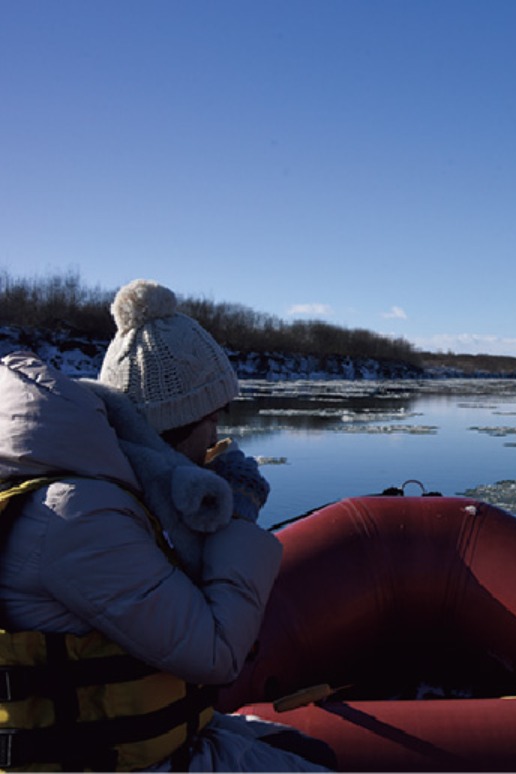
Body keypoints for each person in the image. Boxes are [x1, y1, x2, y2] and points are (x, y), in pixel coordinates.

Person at [0, 279, 332, 771]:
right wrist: (236, 517)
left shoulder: (118, 490)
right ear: (178, 422)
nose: (218, 436)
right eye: (213, 420)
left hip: (143, 744)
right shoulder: (77, 516)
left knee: (305, 748)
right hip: (94, 763)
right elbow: (216, 653)